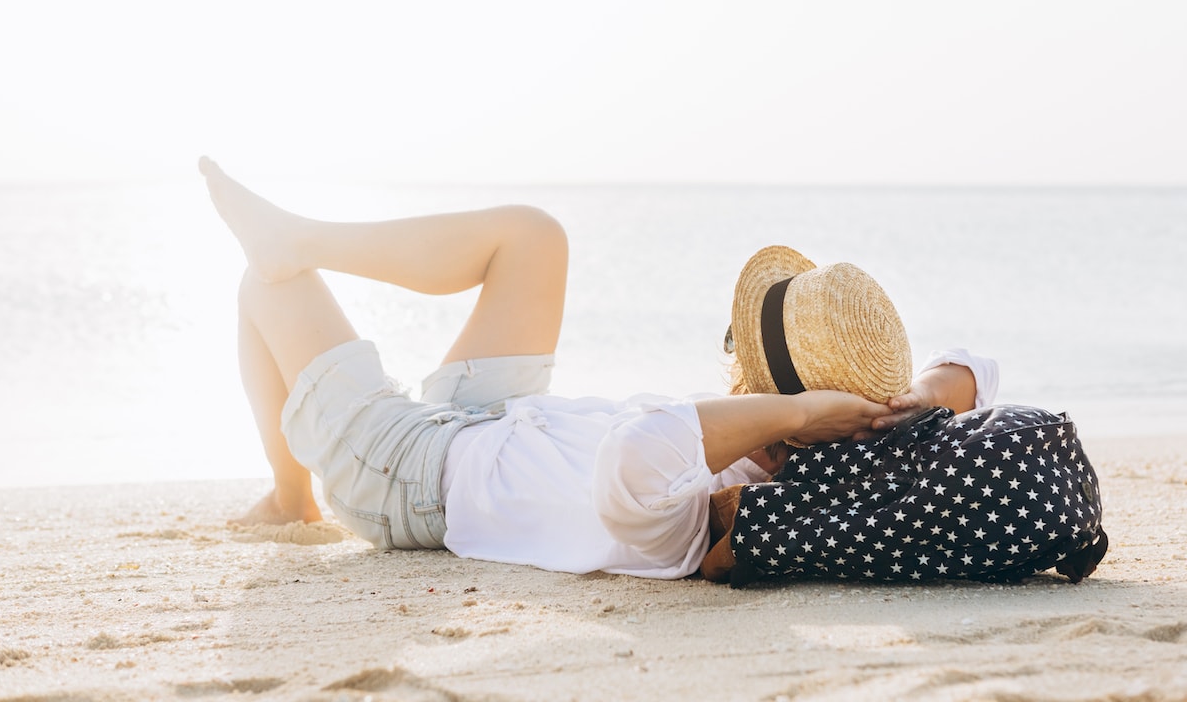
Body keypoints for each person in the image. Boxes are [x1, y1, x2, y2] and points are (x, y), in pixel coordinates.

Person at [198, 156, 998, 579]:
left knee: (266, 284)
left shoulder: (700, 515)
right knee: (535, 236)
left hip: (412, 476)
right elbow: (975, 367)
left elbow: (637, 451)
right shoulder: (805, 438)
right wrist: (917, 395)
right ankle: (306, 235)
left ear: (789, 408)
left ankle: (290, 494)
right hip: (498, 422)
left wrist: (792, 413)